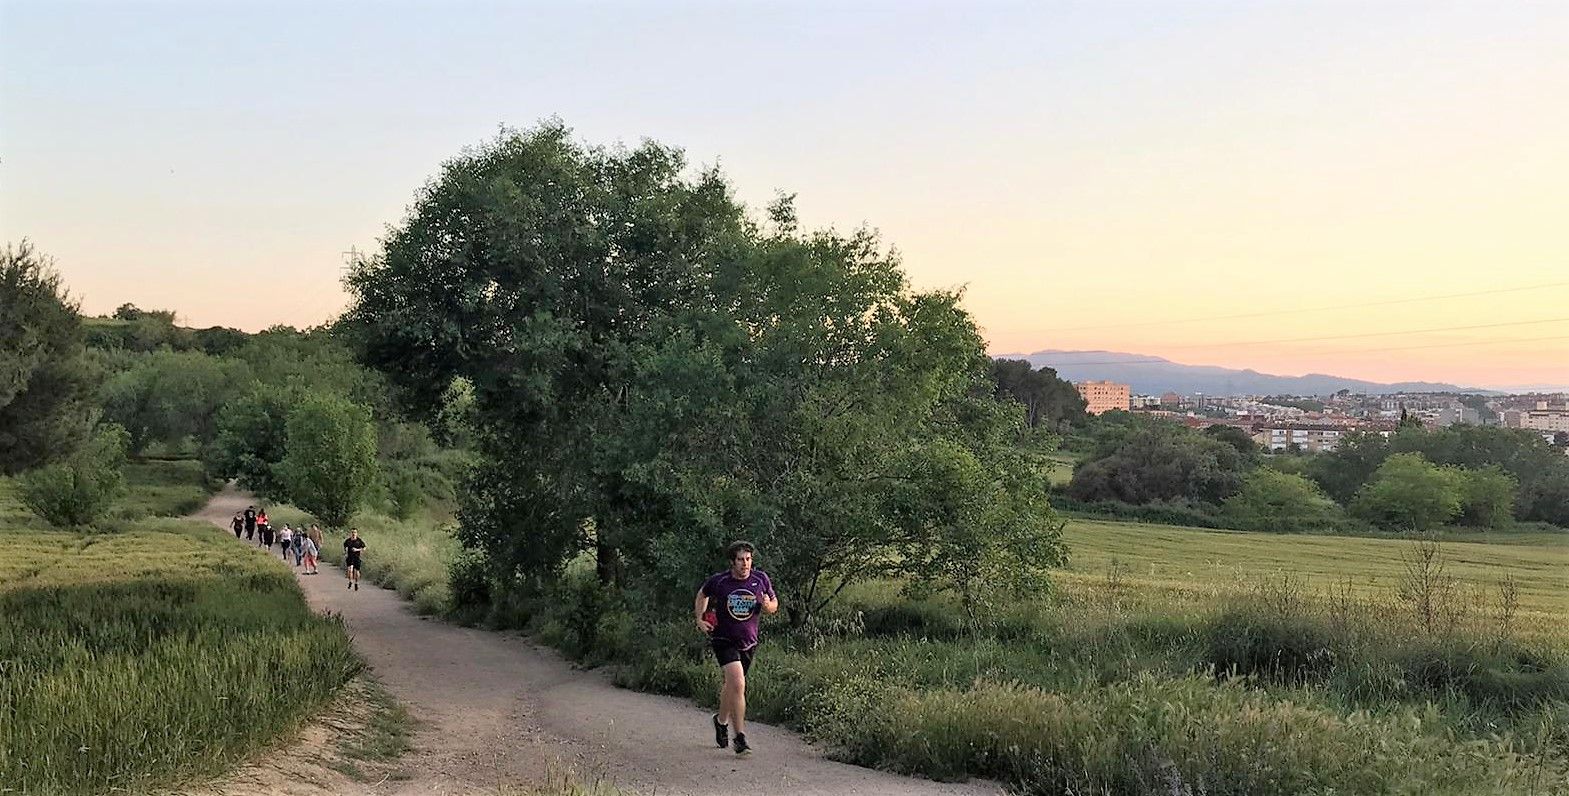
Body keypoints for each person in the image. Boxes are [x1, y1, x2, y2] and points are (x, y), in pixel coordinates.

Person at [694, 541, 778, 755]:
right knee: (739, 683)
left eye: (748, 559)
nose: (745, 564)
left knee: (732, 686)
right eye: (740, 560)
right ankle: (740, 738)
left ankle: (721, 721)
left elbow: (773, 604)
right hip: (723, 638)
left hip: (748, 641)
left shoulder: (760, 579)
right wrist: (700, 619)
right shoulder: (720, 581)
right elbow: (702, 594)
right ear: (732, 562)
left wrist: (768, 606)